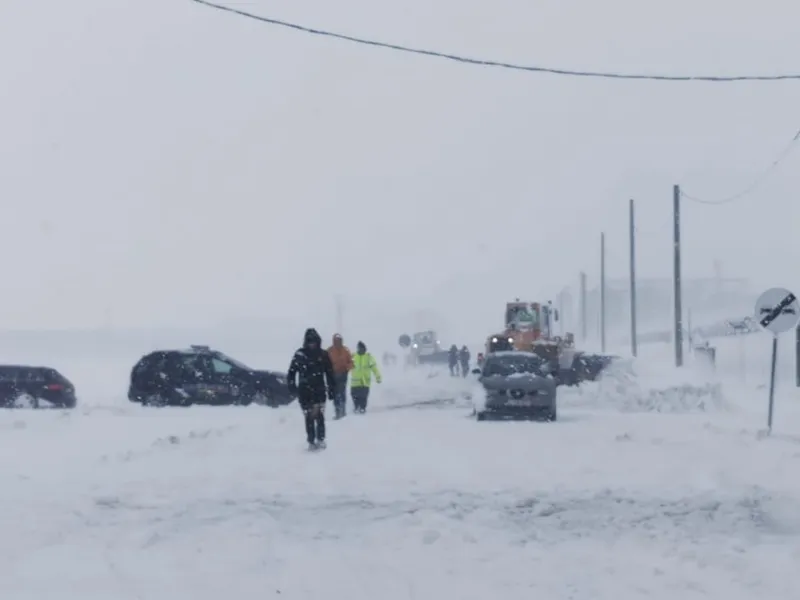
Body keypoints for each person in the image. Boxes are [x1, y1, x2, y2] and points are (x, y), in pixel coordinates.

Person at [287, 328, 336, 450]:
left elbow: (329, 373)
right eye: (309, 341)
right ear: (306, 342)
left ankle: (320, 439)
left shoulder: (323, 355)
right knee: (308, 417)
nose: (312, 344)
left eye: (314, 341)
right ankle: (311, 441)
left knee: (319, 416)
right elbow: (291, 372)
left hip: (319, 390)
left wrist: (331, 389)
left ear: (318, 341)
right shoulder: (300, 354)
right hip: (304, 391)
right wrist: (292, 387)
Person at [327, 333, 353, 419]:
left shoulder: (345, 350)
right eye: (336, 341)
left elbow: (351, 362)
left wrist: (346, 368)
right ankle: (338, 412)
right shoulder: (329, 350)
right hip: (333, 376)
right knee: (335, 394)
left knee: (341, 393)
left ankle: (342, 411)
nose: (338, 342)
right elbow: (324, 362)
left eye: (339, 341)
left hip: (343, 375)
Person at [350, 341, 382, 413]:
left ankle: (362, 408)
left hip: (365, 382)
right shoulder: (353, 357)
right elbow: (347, 366)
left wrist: (378, 377)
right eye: (360, 348)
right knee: (354, 396)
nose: (362, 350)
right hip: (355, 383)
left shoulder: (368, 357)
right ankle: (356, 407)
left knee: (363, 397)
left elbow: (374, 368)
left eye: (363, 348)